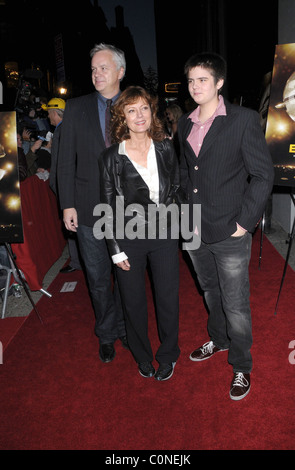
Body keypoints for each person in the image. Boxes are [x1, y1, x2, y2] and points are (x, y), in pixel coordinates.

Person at [178, 52, 274, 400]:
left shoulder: (243, 119)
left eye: (202, 79)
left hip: (230, 229)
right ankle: (218, 341)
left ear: (219, 82)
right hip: (192, 228)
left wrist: (244, 223)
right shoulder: (184, 123)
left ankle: (241, 365)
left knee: (235, 302)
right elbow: (189, 172)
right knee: (209, 291)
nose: (195, 86)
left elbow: (264, 175)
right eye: (191, 80)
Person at [98, 86, 183, 381]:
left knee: (168, 298)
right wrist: (114, 248)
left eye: (144, 108)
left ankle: (168, 354)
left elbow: (175, 189)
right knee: (132, 301)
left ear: (152, 111)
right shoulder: (111, 157)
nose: (139, 115)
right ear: (122, 115)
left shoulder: (164, 146)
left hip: (164, 233)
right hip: (128, 238)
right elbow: (107, 206)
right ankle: (142, 355)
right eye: (131, 110)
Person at [57, 43, 127, 363]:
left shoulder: (137, 104)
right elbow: (64, 161)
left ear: (120, 72)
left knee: (128, 274)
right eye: (94, 69)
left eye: (103, 68)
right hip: (87, 207)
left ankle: (129, 328)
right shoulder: (75, 107)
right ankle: (107, 333)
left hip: (130, 209)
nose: (97, 74)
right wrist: (67, 204)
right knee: (98, 277)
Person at [43, 98, 82, 274]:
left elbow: (61, 163)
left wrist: (57, 186)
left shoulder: (62, 131)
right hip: (74, 184)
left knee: (72, 223)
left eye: (48, 112)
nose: (47, 116)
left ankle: (77, 261)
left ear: (54, 113)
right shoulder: (71, 127)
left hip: (68, 187)